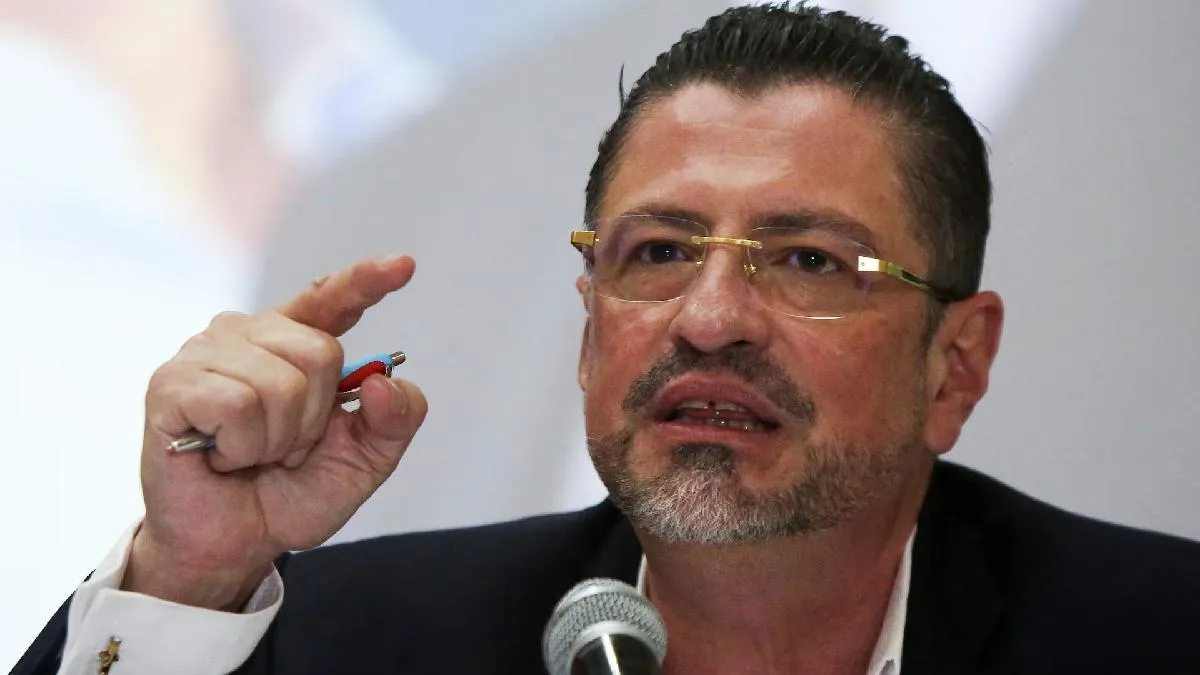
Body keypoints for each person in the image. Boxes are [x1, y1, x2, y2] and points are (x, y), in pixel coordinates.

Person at [13, 4, 1200, 674]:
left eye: (806, 261)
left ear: (957, 365)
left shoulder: (1153, 636)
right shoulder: (361, 642)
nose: (710, 319)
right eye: (660, 252)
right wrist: (190, 577)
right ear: (590, 328)